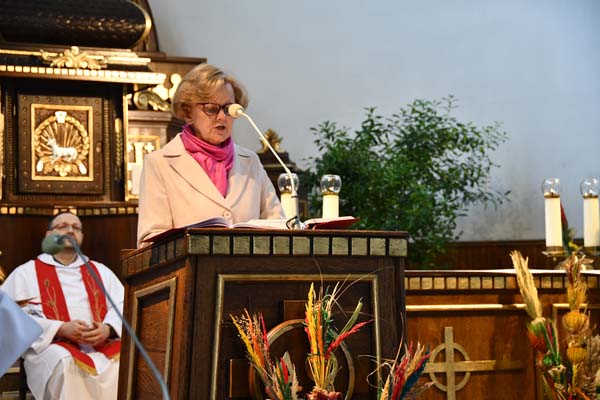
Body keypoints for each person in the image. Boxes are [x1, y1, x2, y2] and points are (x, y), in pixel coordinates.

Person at [136, 63, 284, 247]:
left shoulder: (251, 162)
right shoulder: (159, 164)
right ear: (188, 113)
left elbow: (279, 229)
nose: (222, 117)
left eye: (228, 108)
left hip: (247, 266)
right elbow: (150, 243)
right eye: (211, 109)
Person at [1, 212, 124, 399]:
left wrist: (108, 329)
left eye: (76, 228)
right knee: (64, 361)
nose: (70, 230)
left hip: (100, 344)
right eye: (63, 226)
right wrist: (60, 328)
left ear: (82, 237)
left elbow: (123, 306)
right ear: (48, 235)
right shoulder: (25, 273)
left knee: (124, 360)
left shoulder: (101, 271)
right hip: (52, 346)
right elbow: (9, 317)